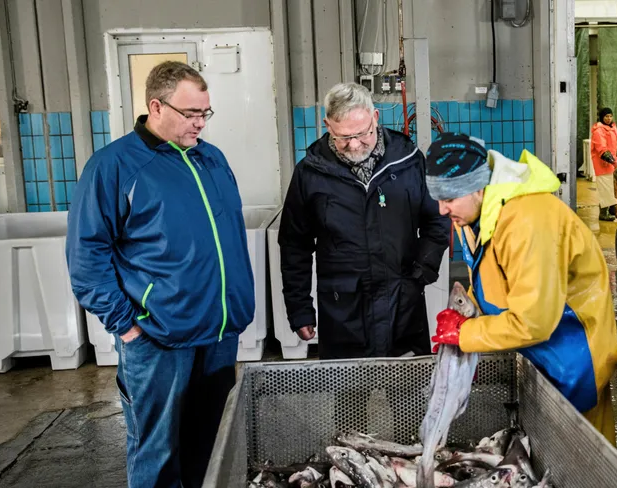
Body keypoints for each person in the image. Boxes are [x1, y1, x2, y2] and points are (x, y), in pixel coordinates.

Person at [66, 61, 255, 487]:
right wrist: (126, 326)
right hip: (158, 339)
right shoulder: (112, 167)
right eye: (191, 114)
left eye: (206, 113)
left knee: (212, 446)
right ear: (156, 105)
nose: (201, 123)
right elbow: (86, 259)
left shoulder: (211, 158)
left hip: (219, 333)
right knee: (158, 452)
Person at [423, 132, 617, 443]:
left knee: (582, 463)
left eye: (448, 199)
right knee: (543, 459)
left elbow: (533, 322)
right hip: (538, 355)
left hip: (572, 357)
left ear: (477, 187)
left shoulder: (527, 221)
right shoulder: (477, 215)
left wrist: (466, 335)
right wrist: (468, 317)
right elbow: (496, 279)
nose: (441, 211)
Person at [278, 82, 450, 359]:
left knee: (407, 395)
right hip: (343, 311)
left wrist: (423, 269)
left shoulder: (408, 161)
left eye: (363, 133)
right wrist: (299, 309)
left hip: (402, 304)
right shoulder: (310, 173)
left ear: (375, 118)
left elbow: (438, 219)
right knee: (349, 398)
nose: (355, 144)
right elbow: (294, 245)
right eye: (343, 137)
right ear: (327, 125)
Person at [591, 107, 617, 222]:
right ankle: (604, 213)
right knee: (605, 188)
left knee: (611, 188)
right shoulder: (599, 130)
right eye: (606, 116)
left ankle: (612, 210)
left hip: (611, 164)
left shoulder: (612, 128)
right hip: (602, 164)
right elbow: (601, 148)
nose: (608, 118)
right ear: (602, 117)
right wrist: (611, 159)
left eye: (610, 116)